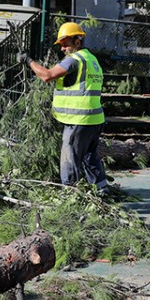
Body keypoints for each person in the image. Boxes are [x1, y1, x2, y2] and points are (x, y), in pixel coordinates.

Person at [17, 22, 108, 194]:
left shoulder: (74, 60)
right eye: (61, 45)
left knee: (69, 160)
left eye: (66, 44)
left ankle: (70, 197)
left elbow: (47, 76)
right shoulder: (92, 60)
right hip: (95, 119)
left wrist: (28, 61)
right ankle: (102, 192)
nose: (63, 49)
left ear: (77, 42)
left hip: (78, 121)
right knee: (90, 159)